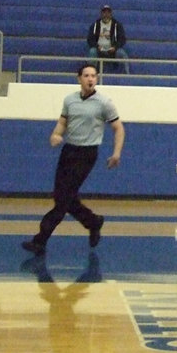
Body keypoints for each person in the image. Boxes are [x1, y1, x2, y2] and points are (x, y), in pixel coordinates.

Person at [21, 63, 124, 256]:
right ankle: (93, 222)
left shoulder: (104, 103)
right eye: (86, 75)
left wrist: (116, 153)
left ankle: (40, 240)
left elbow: (118, 128)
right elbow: (62, 122)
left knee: (64, 200)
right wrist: (55, 135)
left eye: (93, 75)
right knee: (62, 196)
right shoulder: (69, 100)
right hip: (68, 151)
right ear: (79, 79)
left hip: (87, 154)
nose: (90, 79)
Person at [86, 5, 130, 74]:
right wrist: (97, 47)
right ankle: (91, 73)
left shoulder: (117, 25)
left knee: (122, 53)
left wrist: (115, 47)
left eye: (108, 13)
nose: (106, 15)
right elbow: (90, 39)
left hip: (113, 50)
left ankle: (126, 74)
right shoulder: (95, 25)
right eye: (104, 13)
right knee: (92, 51)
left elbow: (122, 39)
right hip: (99, 49)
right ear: (101, 14)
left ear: (111, 14)